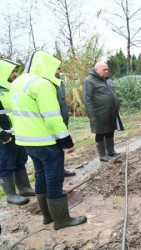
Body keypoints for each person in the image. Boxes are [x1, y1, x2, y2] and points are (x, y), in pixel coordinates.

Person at [10, 50, 87, 230]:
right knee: (54, 179)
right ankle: (62, 220)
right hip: (46, 142)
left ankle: (47, 217)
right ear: (45, 65)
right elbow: (52, 118)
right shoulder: (42, 84)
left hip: (27, 142)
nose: (58, 72)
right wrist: (67, 142)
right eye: (56, 68)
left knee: (40, 177)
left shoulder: (18, 82)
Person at [0, 59, 35, 205]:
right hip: (5, 136)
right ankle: (10, 194)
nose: (15, 74)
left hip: (18, 132)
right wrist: (3, 135)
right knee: (6, 164)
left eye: (15, 71)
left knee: (21, 160)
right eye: (12, 71)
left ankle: (24, 187)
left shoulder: (12, 88)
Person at [82, 62, 124, 162]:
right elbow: (87, 99)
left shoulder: (107, 80)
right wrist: (91, 115)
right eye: (104, 70)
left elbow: (113, 94)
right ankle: (103, 155)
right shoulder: (89, 81)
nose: (106, 71)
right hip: (98, 113)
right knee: (100, 133)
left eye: (107, 69)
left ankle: (111, 151)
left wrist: (117, 106)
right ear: (96, 70)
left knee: (110, 131)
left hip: (110, 111)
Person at [55, 68, 76, 177]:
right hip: (53, 122)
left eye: (59, 69)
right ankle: (56, 173)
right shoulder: (46, 85)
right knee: (53, 151)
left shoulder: (60, 83)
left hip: (62, 121)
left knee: (61, 149)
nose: (59, 72)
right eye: (56, 69)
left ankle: (61, 169)